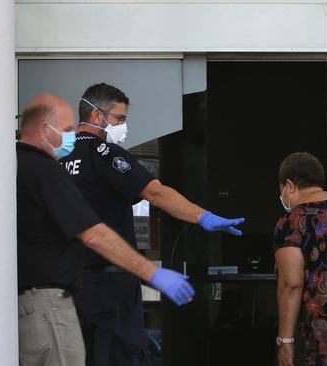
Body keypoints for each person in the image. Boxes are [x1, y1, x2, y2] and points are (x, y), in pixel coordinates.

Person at [59, 83, 245, 365]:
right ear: (97, 116)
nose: (123, 126)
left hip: (66, 284)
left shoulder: (58, 157)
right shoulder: (105, 153)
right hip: (109, 284)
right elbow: (155, 192)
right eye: (119, 119)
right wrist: (203, 216)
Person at [17, 94, 195, 366]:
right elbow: (93, 232)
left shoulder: (13, 166)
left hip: (45, 297)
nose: (72, 137)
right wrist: (152, 272)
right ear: (44, 129)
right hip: (59, 299)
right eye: (66, 130)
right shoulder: (48, 170)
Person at [273, 152, 327, 366]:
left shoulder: (291, 222)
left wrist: (285, 340)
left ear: (289, 185)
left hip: (320, 330)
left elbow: (291, 283)